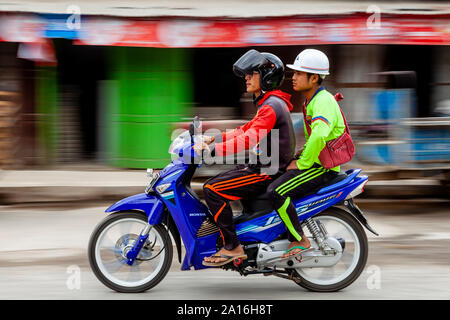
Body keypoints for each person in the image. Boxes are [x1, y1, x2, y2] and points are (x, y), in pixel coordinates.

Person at [194, 49, 296, 267]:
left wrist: (211, 152)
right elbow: (243, 130)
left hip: (266, 171)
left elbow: (248, 139)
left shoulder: (271, 106)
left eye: (252, 73)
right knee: (224, 179)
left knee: (212, 189)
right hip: (261, 165)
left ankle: (232, 246)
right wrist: (214, 138)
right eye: (247, 74)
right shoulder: (268, 104)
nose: (247, 78)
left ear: (267, 77)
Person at [267, 49, 346, 259]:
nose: (293, 77)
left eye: (299, 74)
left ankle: (299, 239)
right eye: (294, 73)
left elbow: (320, 135)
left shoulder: (323, 101)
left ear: (314, 78)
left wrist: (302, 163)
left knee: (276, 191)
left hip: (323, 168)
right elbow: (316, 138)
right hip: (316, 163)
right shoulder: (312, 100)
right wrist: (299, 156)